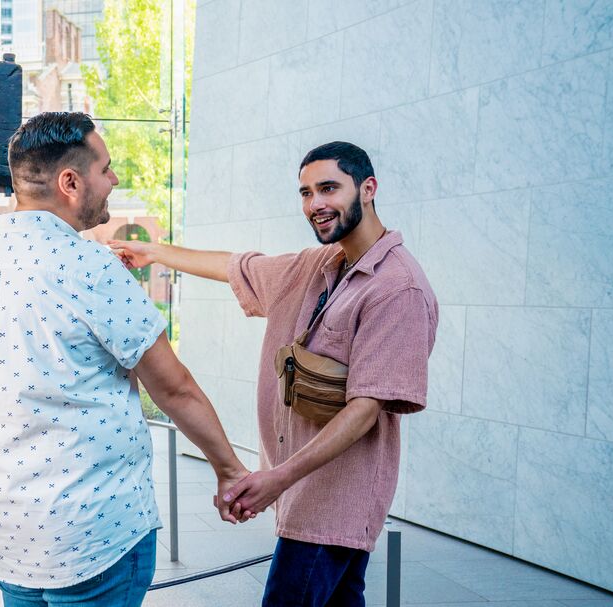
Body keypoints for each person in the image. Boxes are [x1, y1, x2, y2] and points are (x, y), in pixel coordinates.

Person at [0, 112, 250, 607]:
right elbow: (174, 387)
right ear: (71, 182)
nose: (115, 180)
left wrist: (6, 480)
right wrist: (230, 470)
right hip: (95, 534)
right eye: (106, 169)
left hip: (8, 533)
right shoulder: (88, 263)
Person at [110, 141, 438, 607]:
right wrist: (154, 252)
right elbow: (237, 267)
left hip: (334, 503)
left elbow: (366, 409)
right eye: (305, 192)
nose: (315, 204)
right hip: (302, 496)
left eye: (328, 188)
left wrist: (278, 478)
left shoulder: (397, 289)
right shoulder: (319, 264)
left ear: (368, 189)